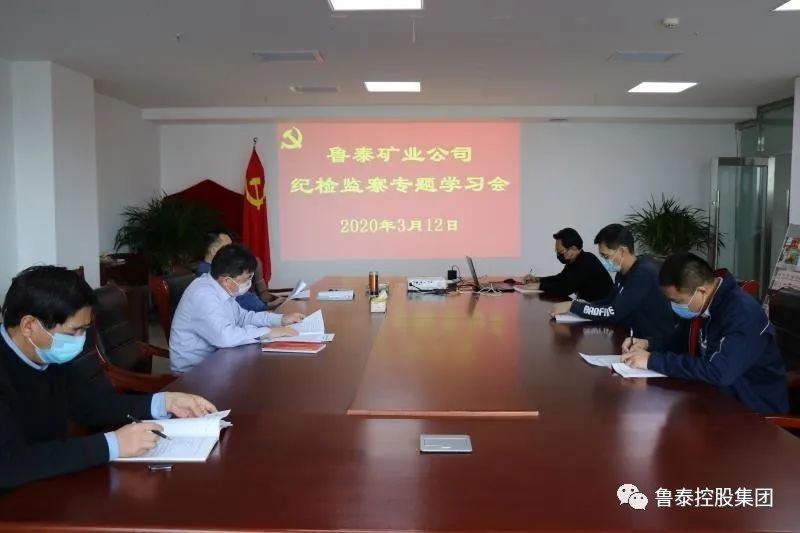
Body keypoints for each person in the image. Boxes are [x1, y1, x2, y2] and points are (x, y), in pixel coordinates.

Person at [0, 266, 216, 490]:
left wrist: (164, 402)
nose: (80, 340)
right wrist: (111, 445)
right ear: (29, 326)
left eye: (85, 330)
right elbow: (8, 464)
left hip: (44, 483)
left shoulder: (46, 354)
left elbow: (90, 404)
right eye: (73, 332)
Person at [621, 253, 789, 414]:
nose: (673, 306)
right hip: (713, 398)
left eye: (677, 301)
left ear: (701, 291)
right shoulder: (704, 304)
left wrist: (652, 361)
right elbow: (683, 340)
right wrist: (648, 344)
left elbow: (718, 371)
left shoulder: (742, 314)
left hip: (752, 410)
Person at [170, 243, 304, 374]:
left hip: (218, 360)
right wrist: (268, 332)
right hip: (193, 374)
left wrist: (280, 320)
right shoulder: (203, 295)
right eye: (246, 279)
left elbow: (243, 317)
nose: (248, 283)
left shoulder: (220, 287)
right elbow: (225, 337)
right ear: (226, 280)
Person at [550, 223, 674, 348]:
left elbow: (613, 312)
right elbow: (609, 301)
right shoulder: (621, 272)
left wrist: (574, 306)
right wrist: (581, 305)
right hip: (629, 337)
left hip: (652, 345)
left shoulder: (643, 273)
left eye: (606, 256)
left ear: (622, 251)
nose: (604, 261)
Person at [197, 231, 285, 311]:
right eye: (228, 248)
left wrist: (269, 306)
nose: (233, 252)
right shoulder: (211, 275)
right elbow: (242, 303)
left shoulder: (217, 270)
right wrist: (268, 307)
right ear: (213, 251)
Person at [524, 227, 613, 300]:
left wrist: (539, 286)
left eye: (561, 252)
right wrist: (537, 279)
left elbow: (565, 288)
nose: (559, 255)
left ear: (573, 248)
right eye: (557, 252)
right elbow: (560, 278)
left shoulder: (586, 262)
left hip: (603, 308)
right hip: (591, 305)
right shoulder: (575, 260)